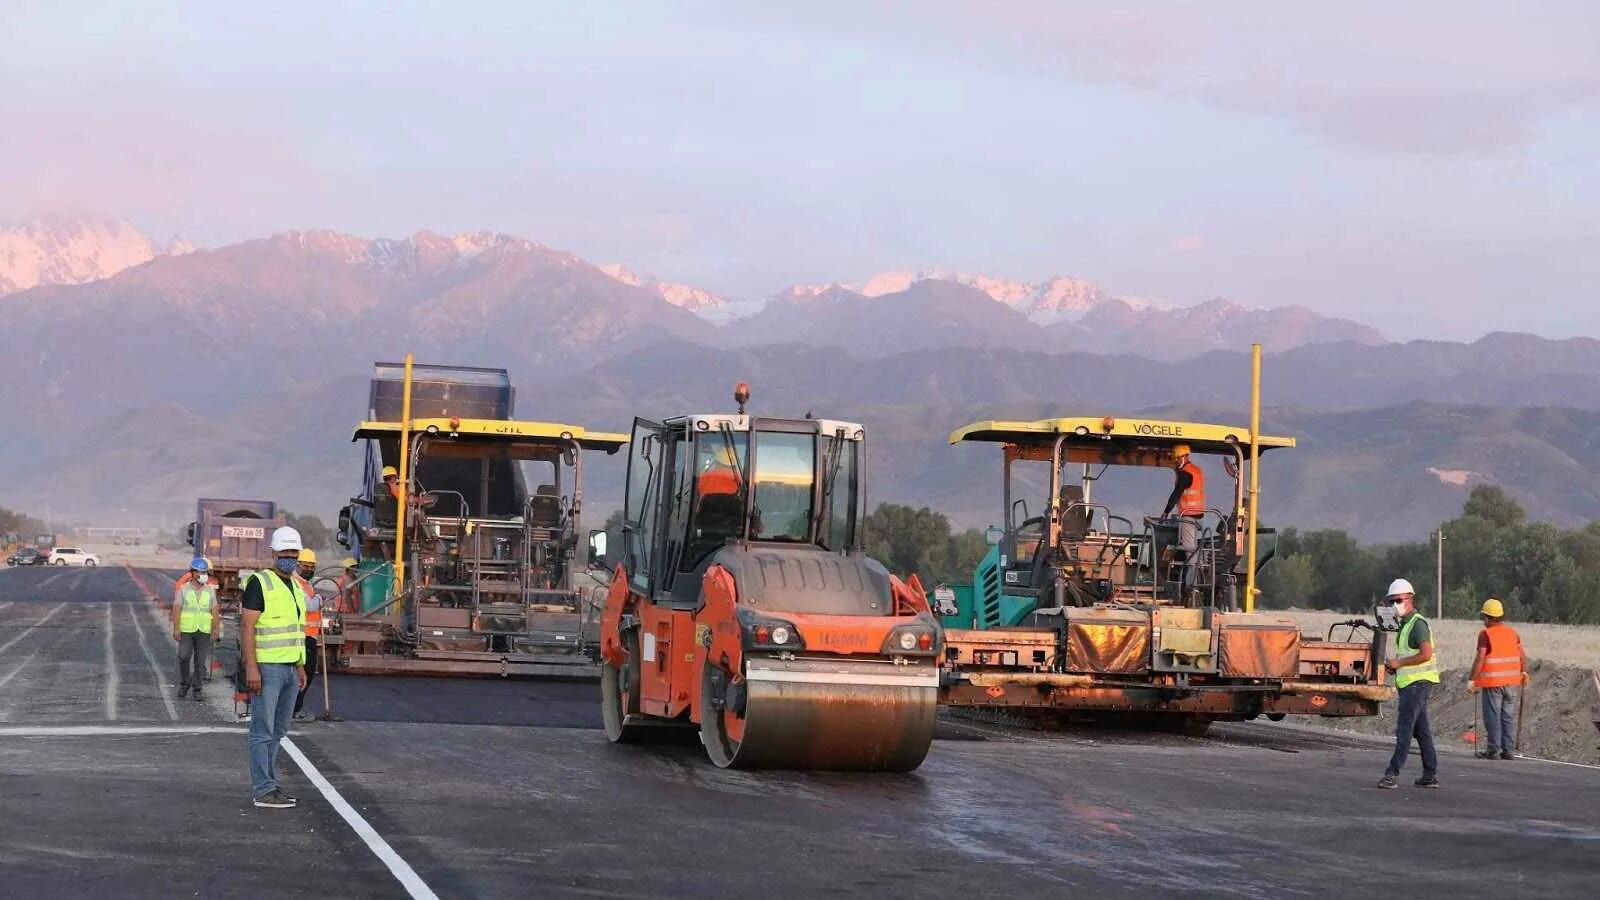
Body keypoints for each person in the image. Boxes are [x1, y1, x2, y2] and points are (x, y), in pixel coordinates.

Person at [242, 526, 309, 809]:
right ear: (274, 553)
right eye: (285, 553)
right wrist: (252, 670)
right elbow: (247, 627)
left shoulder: (295, 585)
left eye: (294, 553)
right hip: (267, 670)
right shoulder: (260, 583)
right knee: (262, 730)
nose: (289, 558)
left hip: (290, 670)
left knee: (279, 730)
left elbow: (296, 630)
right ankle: (263, 788)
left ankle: (270, 784)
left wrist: (300, 666)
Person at [1378, 578, 1440, 789]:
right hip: (1412, 684)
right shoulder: (1406, 625)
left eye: (1398, 600)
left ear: (1410, 599)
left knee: (1404, 730)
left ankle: (1392, 773)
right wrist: (1396, 666)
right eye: (1391, 601)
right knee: (1421, 731)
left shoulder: (1417, 624)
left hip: (1416, 685)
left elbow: (1426, 653)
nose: (1394, 605)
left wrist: (1399, 663)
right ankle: (1430, 774)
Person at [1468, 597, 1527, 760]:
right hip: (1512, 683)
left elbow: (1480, 657)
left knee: (1492, 717)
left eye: (1484, 617)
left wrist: (1472, 679)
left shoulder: (1485, 634)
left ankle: (1493, 750)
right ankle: (1507, 750)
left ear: (1487, 617)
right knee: (1507, 717)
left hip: (1493, 683)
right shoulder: (1512, 633)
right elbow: (1522, 655)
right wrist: (1524, 672)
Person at [170, 557, 220, 701]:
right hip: (187, 630)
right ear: (192, 573)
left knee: (200, 661)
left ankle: (197, 689)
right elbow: (177, 608)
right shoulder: (183, 590)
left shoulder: (210, 591)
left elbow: (215, 609)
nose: (203, 574)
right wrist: (176, 628)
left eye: (204, 572)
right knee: (184, 656)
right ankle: (185, 683)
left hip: (204, 630)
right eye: (199, 572)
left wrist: (215, 628)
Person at [1160, 444, 1206, 588]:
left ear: (1184, 457)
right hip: (1197, 514)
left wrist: (1166, 512)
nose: (1175, 461)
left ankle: (1191, 586)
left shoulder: (1185, 473)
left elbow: (1176, 494)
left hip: (1187, 515)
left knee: (1188, 550)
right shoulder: (1197, 470)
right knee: (1192, 548)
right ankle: (1195, 581)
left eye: (1177, 458)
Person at [292, 548, 322, 723]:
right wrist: (319, 599)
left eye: (312, 566)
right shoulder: (296, 583)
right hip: (302, 637)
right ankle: (294, 708)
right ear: (298, 565)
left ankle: (294, 706)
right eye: (306, 566)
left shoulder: (307, 584)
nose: (309, 569)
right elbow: (309, 606)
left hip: (310, 637)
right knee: (304, 674)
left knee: (307, 674)